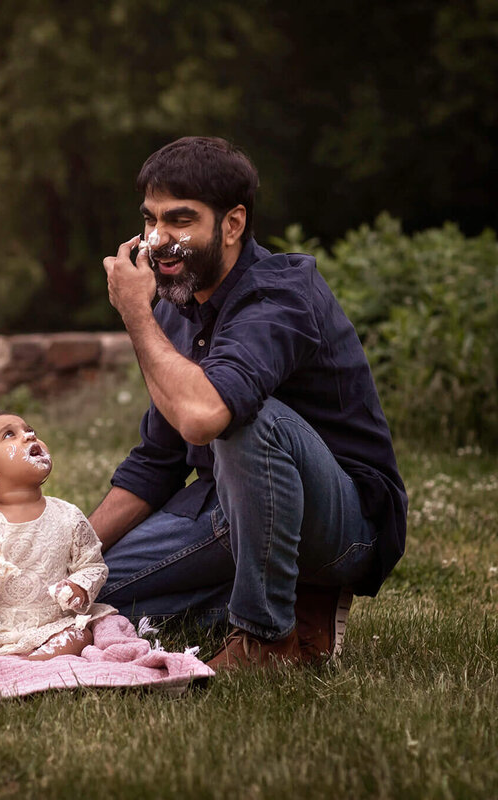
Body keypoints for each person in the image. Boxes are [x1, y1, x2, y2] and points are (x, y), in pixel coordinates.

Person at [91, 136, 408, 670]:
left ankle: (266, 636)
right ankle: (279, 601)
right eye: (150, 220)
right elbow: (158, 462)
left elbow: (202, 418)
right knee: (85, 596)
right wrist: (65, 554)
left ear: (232, 224)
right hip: (226, 511)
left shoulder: (279, 296)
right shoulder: (176, 305)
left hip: (337, 523)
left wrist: (135, 315)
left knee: (243, 419)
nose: (157, 239)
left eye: (180, 221)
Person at [0, 411, 115, 659]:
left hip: (50, 622)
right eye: (9, 434)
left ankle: (32, 662)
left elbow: (92, 565)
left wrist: (78, 588)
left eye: (30, 430)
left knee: (81, 633)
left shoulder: (68, 516)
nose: (29, 436)